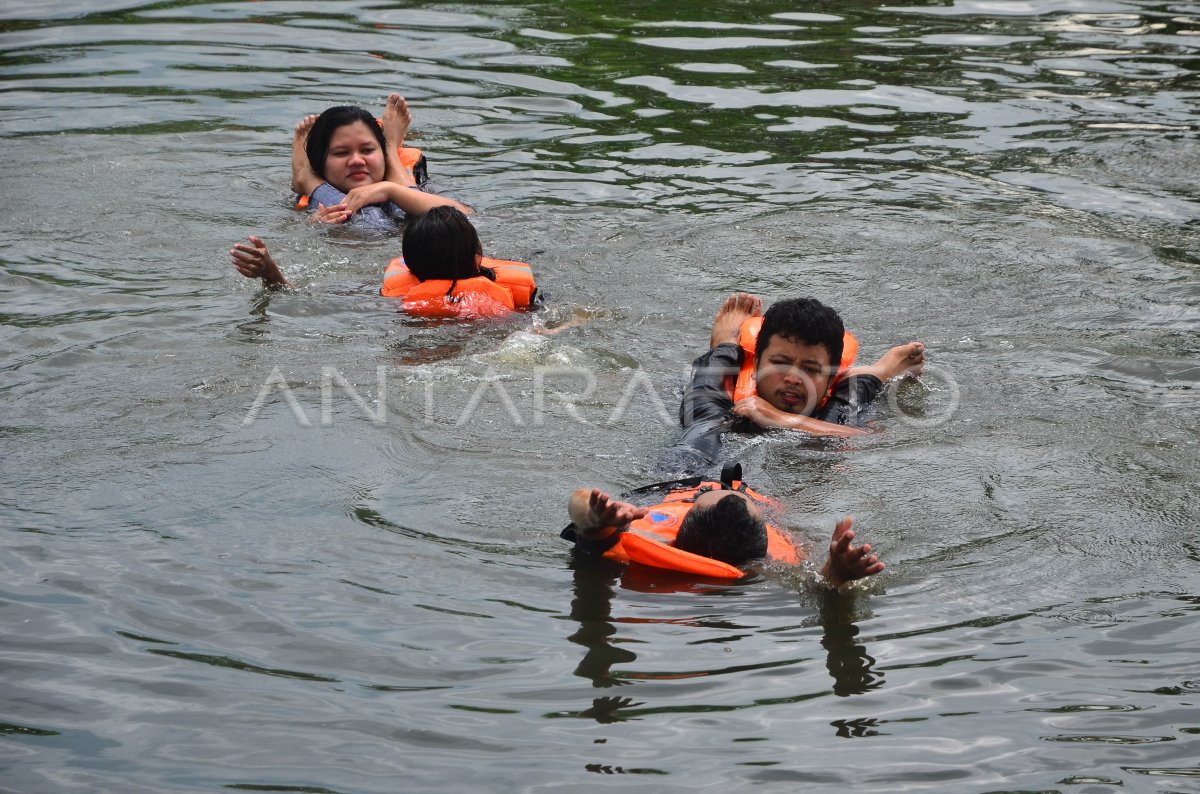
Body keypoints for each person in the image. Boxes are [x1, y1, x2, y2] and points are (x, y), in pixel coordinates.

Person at [672, 292, 925, 467]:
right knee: (703, 406)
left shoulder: (834, 406)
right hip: (719, 416)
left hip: (818, 414)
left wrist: (781, 419)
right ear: (758, 363)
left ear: (830, 379)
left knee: (847, 402)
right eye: (780, 364)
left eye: (810, 369)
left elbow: (879, 440)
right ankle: (726, 345)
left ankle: (881, 370)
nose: (794, 378)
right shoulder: (717, 408)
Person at [561, 464, 884, 590]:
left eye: (707, 496)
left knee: (704, 413)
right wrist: (834, 578)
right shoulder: (777, 564)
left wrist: (596, 523)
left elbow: (581, 511)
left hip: (679, 466)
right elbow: (814, 590)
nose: (716, 489)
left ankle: (724, 348)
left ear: (685, 514)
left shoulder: (633, 532)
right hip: (764, 468)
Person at [231, 207, 539, 316]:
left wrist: (272, 275)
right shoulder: (512, 300)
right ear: (477, 253)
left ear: (411, 263)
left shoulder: (392, 300)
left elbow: (308, 301)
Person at [290, 94, 471, 228]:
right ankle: (306, 175)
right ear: (319, 163)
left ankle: (306, 178)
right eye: (341, 153)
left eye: (368, 150)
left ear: (381, 154)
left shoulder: (426, 189)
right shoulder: (310, 209)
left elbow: (466, 218)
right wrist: (315, 227)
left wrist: (390, 190)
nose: (357, 161)